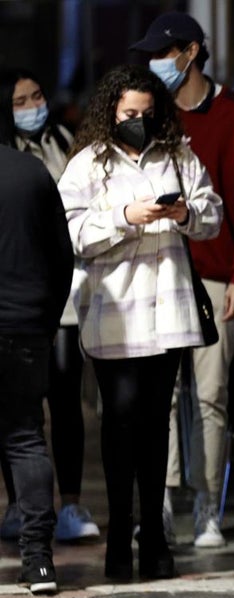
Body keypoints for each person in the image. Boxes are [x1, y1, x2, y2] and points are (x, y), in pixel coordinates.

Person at [56, 63, 223, 581]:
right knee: (119, 423)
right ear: (112, 111)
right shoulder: (90, 162)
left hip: (168, 312)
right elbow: (71, 231)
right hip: (114, 315)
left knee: (156, 426)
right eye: (130, 113)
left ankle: (155, 535)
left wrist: (183, 215)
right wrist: (126, 217)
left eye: (148, 114)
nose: (139, 121)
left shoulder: (178, 154)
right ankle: (120, 537)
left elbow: (213, 215)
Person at [130, 11, 234, 549]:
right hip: (157, 270)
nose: (153, 63)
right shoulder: (150, 113)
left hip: (217, 276)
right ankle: (162, 500)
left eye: (162, 53)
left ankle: (208, 505)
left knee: (210, 393)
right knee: (161, 395)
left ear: (190, 52)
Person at [0, 67, 100, 543]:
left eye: (36, 96)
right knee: (21, 417)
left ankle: (71, 504)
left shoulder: (66, 143)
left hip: (65, 298)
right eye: (20, 101)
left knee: (65, 404)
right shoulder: (12, 159)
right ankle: (21, 506)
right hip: (27, 300)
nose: (31, 106)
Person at [0, 141, 74, 594]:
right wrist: (46, 319)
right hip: (25, 326)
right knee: (27, 438)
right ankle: (39, 561)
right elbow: (62, 257)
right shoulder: (32, 172)